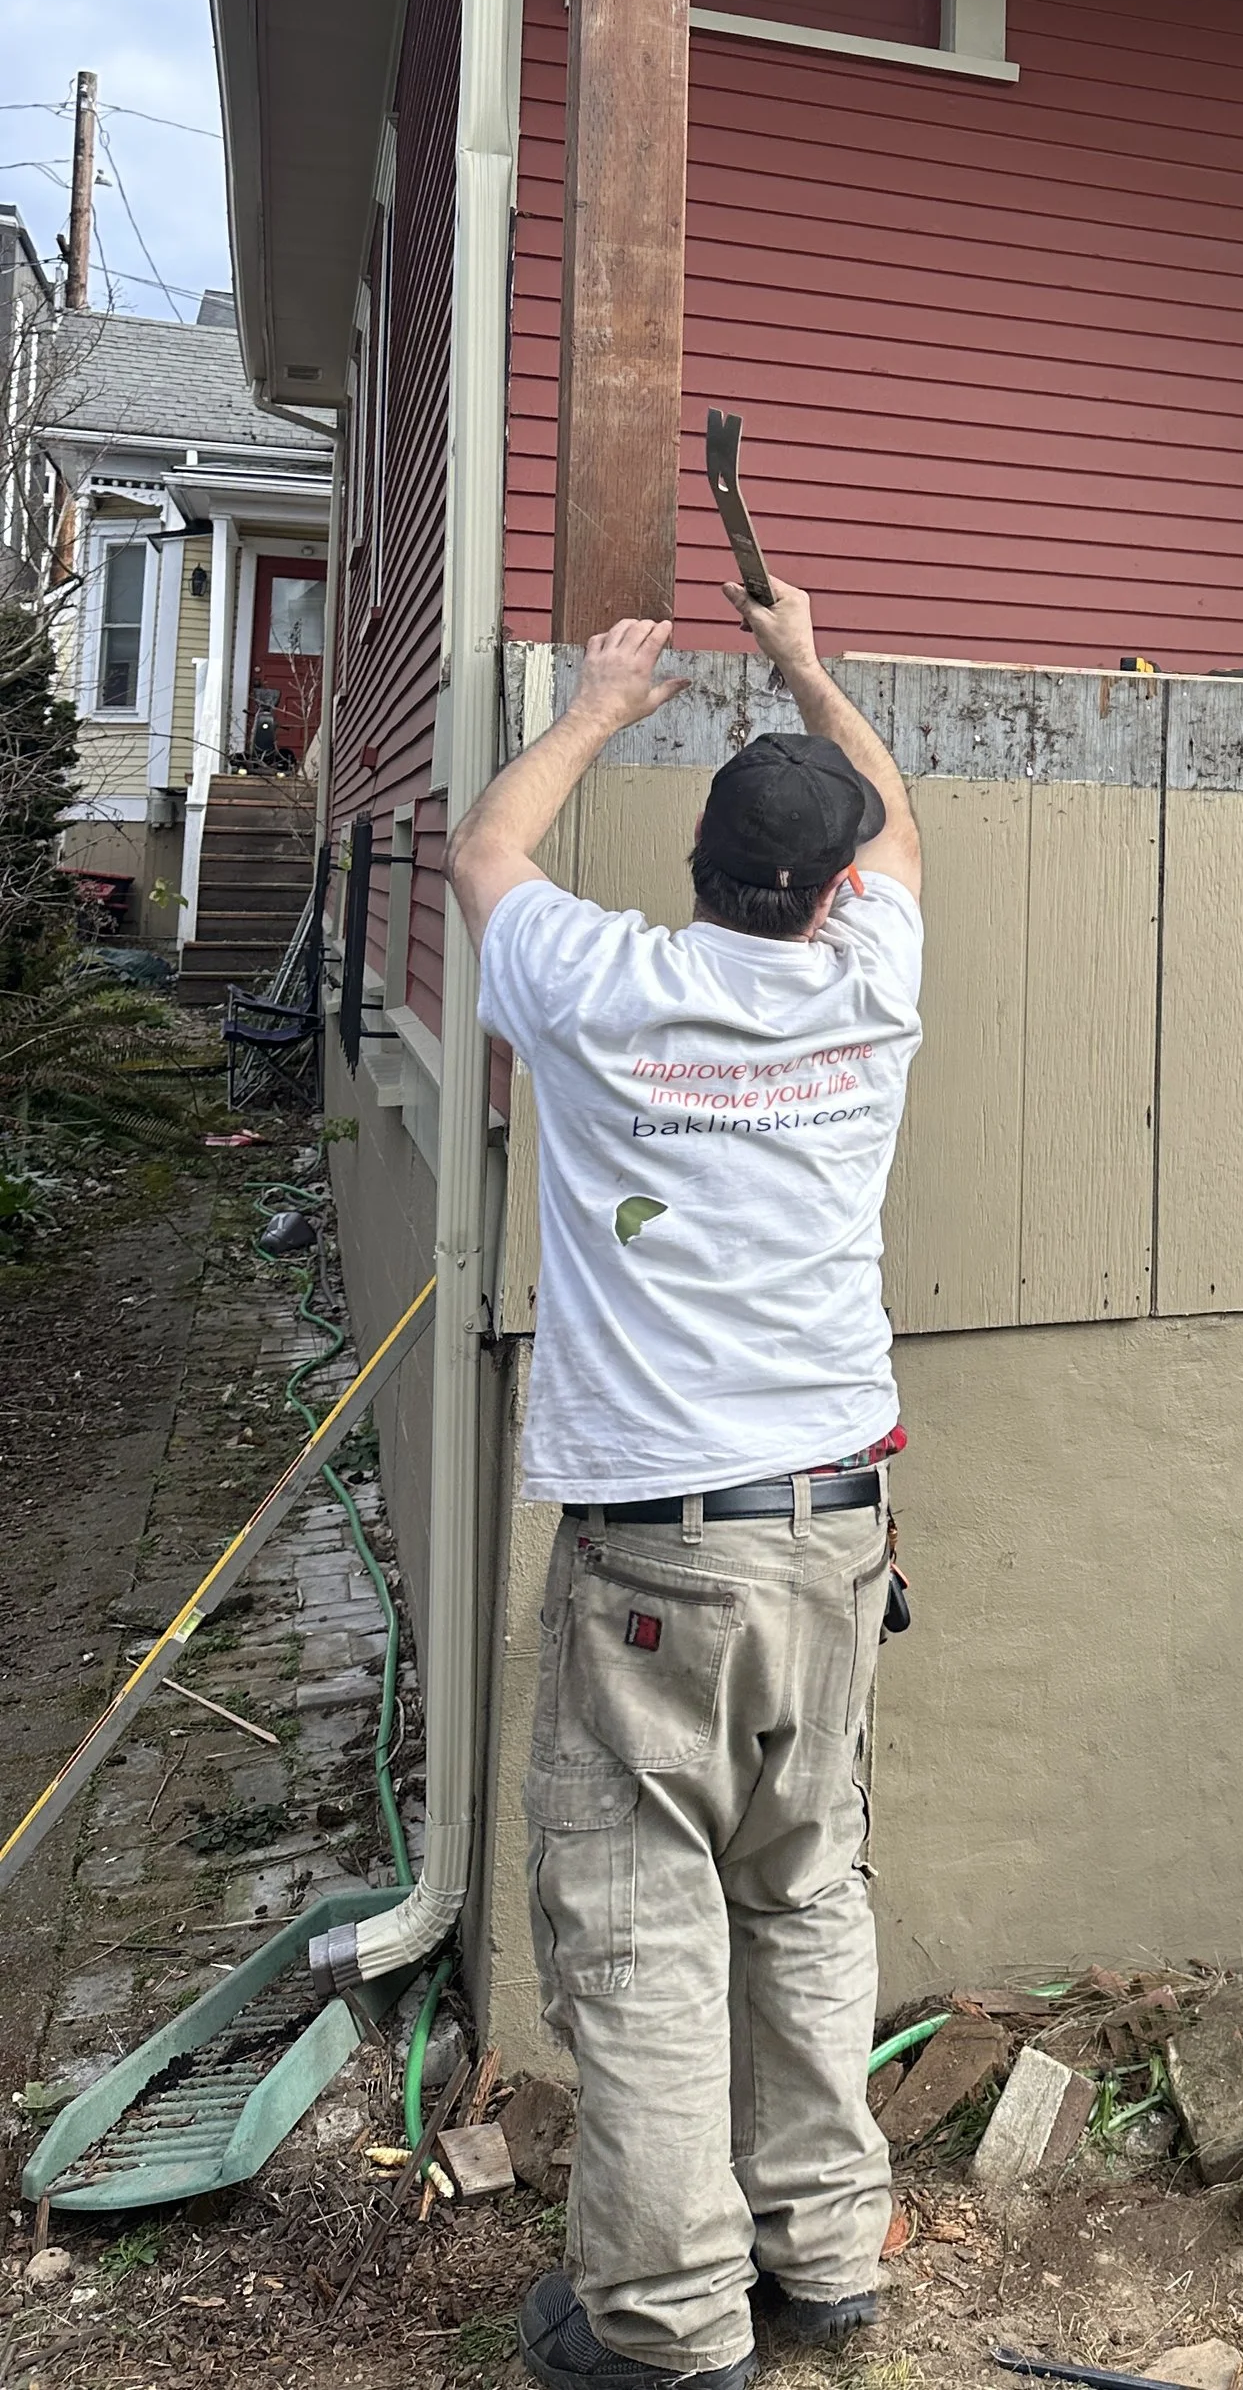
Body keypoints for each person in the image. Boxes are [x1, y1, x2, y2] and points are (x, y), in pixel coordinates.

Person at [446, 572, 924, 2390]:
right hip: (834, 1533)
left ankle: (666, 2327)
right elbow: (897, 826)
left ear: (704, 871)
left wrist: (597, 705)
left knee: (644, 1927)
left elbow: (485, 852)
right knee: (804, 1891)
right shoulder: (872, 985)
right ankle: (826, 2253)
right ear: (830, 891)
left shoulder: (604, 985)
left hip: (659, 1552)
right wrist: (807, 663)